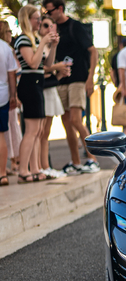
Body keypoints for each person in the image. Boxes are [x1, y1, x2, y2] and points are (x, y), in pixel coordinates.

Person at [43, 0, 100, 175]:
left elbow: (93, 51)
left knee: (76, 120)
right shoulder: (53, 30)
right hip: (61, 81)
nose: (48, 14)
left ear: (60, 9)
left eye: (50, 11)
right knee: (66, 123)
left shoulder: (75, 26)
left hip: (78, 79)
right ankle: (76, 162)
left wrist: (90, 78)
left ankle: (93, 159)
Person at [15, 5, 59, 183]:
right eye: (36, 18)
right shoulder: (23, 40)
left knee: (38, 129)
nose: (39, 22)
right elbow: (32, 64)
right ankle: (22, 170)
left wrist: (53, 46)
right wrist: (42, 42)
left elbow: (46, 65)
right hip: (29, 85)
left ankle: (34, 168)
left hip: (37, 84)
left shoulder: (33, 39)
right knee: (32, 130)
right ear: (27, 19)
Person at [39, 15, 69, 179]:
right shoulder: (38, 45)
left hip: (49, 90)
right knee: (41, 133)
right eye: (45, 26)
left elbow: (50, 76)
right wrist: (56, 67)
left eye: (51, 26)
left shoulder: (49, 47)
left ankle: (45, 166)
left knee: (45, 132)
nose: (48, 29)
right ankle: (43, 166)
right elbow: (41, 69)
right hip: (41, 92)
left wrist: (60, 74)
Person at [0, 20, 22, 177]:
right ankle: (2, 173)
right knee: (2, 133)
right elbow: (11, 75)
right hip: (3, 95)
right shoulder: (5, 49)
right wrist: (13, 95)